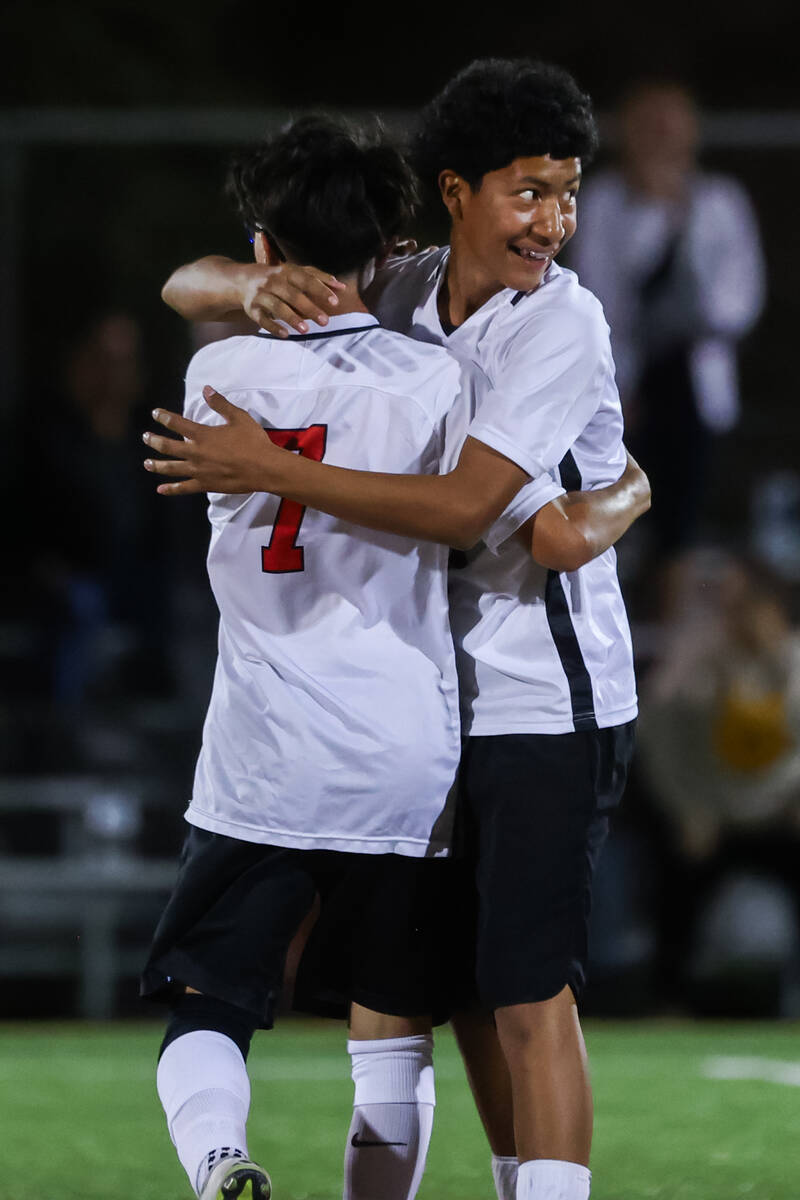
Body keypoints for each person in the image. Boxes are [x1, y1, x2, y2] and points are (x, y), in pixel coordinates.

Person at [145, 60, 646, 1200]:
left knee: (523, 991)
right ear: (452, 192)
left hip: (542, 692)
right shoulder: (407, 297)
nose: (553, 220)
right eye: (528, 192)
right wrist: (244, 280)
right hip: (427, 695)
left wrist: (271, 464)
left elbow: (487, 515)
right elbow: (191, 279)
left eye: (567, 193)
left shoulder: (559, 320)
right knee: (431, 992)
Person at [569, 81, 765, 568]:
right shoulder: (605, 201)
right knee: (616, 518)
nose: (659, 139)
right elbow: (594, 293)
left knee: (686, 524)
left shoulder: (720, 200)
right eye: (648, 126)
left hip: (695, 383)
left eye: (670, 126)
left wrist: (688, 309)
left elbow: (741, 296)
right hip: (628, 385)